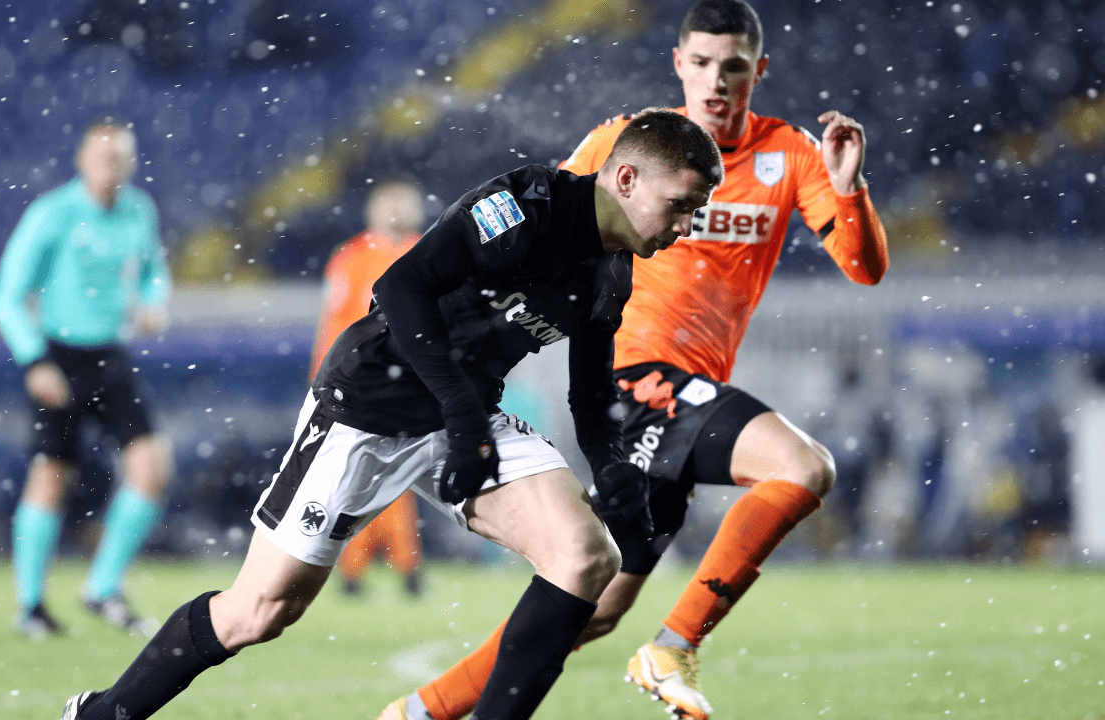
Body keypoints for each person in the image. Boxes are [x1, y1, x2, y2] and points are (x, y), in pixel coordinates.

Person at [60, 108, 723, 720]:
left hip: (464, 419)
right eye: (681, 205)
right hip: (368, 406)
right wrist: (463, 416)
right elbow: (401, 287)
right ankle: (102, 713)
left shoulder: (613, 275)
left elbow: (590, 395)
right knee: (259, 611)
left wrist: (615, 469)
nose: (685, 227)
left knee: (584, 557)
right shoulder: (527, 205)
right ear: (627, 178)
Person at [378, 2, 890, 720]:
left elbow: (865, 268)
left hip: (692, 387)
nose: (716, 81)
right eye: (701, 63)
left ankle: (417, 712)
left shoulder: (791, 155)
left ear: (759, 70)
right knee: (802, 467)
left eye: (734, 67)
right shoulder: (629, 144)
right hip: (632, 374)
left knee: (589, 608)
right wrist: (490, 335)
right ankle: (675, 648)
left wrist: (849, 187)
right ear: (679, 63)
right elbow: (546, 228)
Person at [0, 118, 173, 639]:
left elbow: (153, 270)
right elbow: (8, 295)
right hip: (59, 355)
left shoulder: (139, 210)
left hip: (110, 356)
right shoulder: (53, 213)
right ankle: (31, 606)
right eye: (102, 158)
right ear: (82, 161)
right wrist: (34, 361)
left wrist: (155, 302)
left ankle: (102, 587)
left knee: (150, 469)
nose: (110, 168)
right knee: (51, 475)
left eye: (119, 159)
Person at [310, 179, 428, 597]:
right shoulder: (352, 257)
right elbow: (334, 320)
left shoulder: (427, 250)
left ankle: (402, 565)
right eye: (389, 204)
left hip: (410, 381)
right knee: (358, 474)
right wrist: (324, 375)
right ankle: (357, 568)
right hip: (361, 380)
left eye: (402, 203)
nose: (396, 212)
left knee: (398, 474)